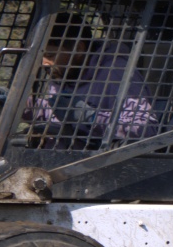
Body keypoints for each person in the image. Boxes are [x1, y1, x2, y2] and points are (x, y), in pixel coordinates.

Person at [24, 12, 156, 148]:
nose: (44, 63)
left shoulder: (116, 72)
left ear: (79, 48)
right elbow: (61, 114)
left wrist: (90, 117)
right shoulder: (64, 72)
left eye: (50, 55)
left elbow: (145, 129)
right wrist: (25, 106)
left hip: (96, 160)